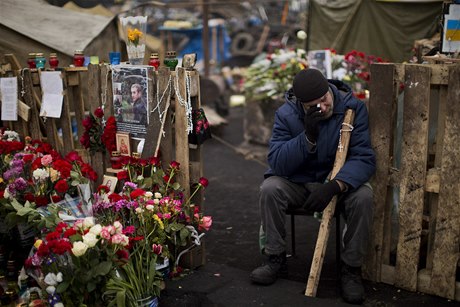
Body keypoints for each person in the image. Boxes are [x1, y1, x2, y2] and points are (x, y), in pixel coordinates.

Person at [249, 68, 376, 305]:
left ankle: (351, 269)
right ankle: (274, 257)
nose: (323, 108)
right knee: (270, 189)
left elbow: (363, 157)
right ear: (302, 104)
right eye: (314, 106)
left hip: (338, 183)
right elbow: (277, 162)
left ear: (329, 90)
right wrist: (307, 137)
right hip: (300, 182)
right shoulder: (286, 114)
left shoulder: (352, 108)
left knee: (364, 198)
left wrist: (335, 186)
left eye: (325, 100)